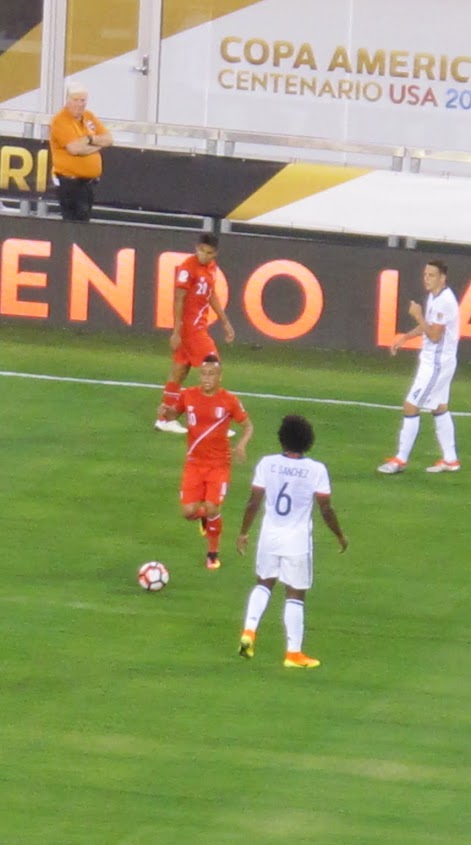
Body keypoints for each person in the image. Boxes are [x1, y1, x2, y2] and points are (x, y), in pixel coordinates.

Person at [235, 415, 348, 669]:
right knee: (295, 595)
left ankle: (249, 631)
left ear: (282, 438)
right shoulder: (316, 470)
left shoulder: (267, 464)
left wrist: (243, 532)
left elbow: (253, 501)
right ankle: (293, 653)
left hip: (269, 537)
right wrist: (339, 535)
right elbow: (326, 508)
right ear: (308, 441)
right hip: (296, 542)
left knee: (264, 583)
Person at [160, 355, 253, 569]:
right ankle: (205, 518)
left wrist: (241, 444)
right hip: (193, 463)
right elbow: (175, 413)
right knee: (188, 512)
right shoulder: (189, 395)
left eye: (211, 374)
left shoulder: (229, 400)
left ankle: (212, 553)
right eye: (203, 373)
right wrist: (167, 413)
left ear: (220, 376)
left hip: (219, 465)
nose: (207, 378)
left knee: (212, 508)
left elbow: (248, 426)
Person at [377, 259, 461, 474]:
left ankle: (400, 460)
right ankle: (451, 460)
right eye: (425, 274)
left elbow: (434, 335)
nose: (426, 278)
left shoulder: (444, 301)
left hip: (436, 363)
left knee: (411, 406)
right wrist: (405, 337)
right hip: (439, 361)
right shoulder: (435, 296)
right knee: (439, 407)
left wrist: (417, 315)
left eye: (431, 275)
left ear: (443, 277)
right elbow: (429, 328)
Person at [154, 233, 236, 434]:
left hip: (198, 327)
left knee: (179, 372)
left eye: (208, 253)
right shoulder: (187, 268)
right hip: (192, 330)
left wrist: (225, 322)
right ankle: (210, 421)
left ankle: (165, 419)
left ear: (214, 253)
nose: (203, 255)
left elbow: (211, 295)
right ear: (196, 248)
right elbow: (178, 299)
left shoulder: (211, 268)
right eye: (201, 250)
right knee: (213, 369)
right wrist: (176, 332)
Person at [48, 83, 113, 222]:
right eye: (75, 100)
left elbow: (108, 139)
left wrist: (88, 139)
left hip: (88, 183)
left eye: (82, 100)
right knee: (73, 224)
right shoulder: (60, 120)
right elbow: (75, 149)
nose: (79, 104)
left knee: (84, 222)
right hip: (70, 183)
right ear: (67, 100)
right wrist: (97, 145)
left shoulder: (89, 116)